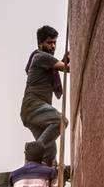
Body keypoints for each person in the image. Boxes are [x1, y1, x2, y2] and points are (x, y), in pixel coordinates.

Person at [21, 25, 71, 154]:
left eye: (54, 43)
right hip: (34, 106)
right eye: (49, 43)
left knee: (49, 154)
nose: (53, 46)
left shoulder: (44, 60)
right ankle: (32, 152)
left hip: (29, 111)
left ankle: (33, 159)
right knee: (60, 122)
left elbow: (58, 66)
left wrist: (66, 60)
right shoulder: (41, 56)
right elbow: (67, 68)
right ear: (40, 43)